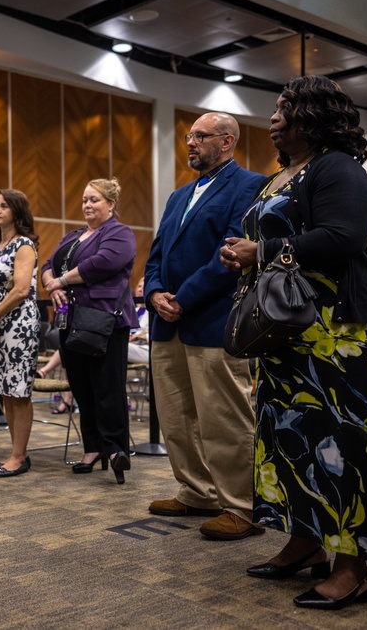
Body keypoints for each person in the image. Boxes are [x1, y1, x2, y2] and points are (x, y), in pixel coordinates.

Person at [220, 74, 367, 610]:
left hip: (339, 330)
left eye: (286, 107)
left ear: (315, 115)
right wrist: (243, 252)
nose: (275, 117)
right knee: (290, 439)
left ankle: (355, 569)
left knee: (342, 444)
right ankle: (305, 544)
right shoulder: (284, 175)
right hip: (290, 333)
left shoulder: (339, 168)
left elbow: (344, 237)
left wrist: (260, 251)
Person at [143, 112, 265, 539]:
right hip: (167, 323)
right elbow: (156, 253)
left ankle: (242, 506)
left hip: (213, 320)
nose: (190, 143)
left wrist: (184, 298)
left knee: (224, 418)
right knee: (176, 416)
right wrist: (154, 292)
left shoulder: (250, 185)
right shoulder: (179, 195)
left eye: (200, 136)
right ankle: (197, 491)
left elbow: (231, 253)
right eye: (189, 136)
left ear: (227, 141)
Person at [42, 178, 137, 482]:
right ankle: (92, 448)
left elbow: (104, 262)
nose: (87, 205)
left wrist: (63, 281)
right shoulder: (73, 236)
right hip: (71, 321)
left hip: (105, 321)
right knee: (81, 387)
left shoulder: (119, 233)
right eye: (84, 200)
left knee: (108, 388)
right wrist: (50, 285)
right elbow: (48, 264)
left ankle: (116, 450)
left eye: (94, 200)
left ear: (111, 204)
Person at [0, 189, 39, 477]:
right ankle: (17, 453)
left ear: (17, 211)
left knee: (18, 391)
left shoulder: (24, 245)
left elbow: (21, 289)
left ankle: (18, 456)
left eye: (4, 206)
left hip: (18, 326)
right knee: (4, 390)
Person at [127, 277, 149, 364]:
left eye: (144, 287)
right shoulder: (133, 310)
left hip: (145, 348)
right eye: (139, 286)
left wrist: (140, 336)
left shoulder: (154, 313)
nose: (140, 290)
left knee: (119, 347)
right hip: (131, 345)